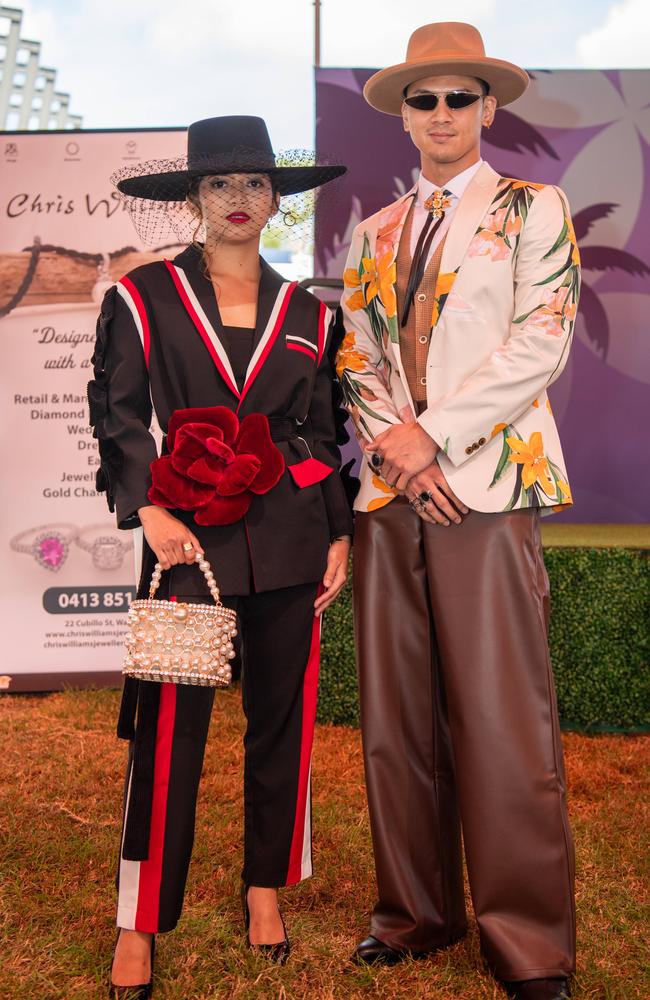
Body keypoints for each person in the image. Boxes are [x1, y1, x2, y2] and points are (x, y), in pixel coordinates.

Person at [337, 23, 579, 1000]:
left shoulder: (534, 207)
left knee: (499, 715)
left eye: (455, 98)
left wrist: (432, 435)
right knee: (396, 716)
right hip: (389, 495)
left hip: (482, 483)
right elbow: (354, 356)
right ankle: (413, 913)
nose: (438, 114)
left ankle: (525, 940)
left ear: (486, 109)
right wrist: (396, 448)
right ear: (404, 116)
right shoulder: (369, 234)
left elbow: (537, 345)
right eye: (420, 99)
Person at [88, 115, 352, 997]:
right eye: (219, 186)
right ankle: (141, 919)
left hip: (290, 541)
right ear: (193, 201)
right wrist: (149, 506)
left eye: (253, 186)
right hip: (185, 542)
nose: (238, 202)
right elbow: (118, 413)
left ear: (276, 200)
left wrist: (338, 531)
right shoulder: (142, 296)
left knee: (283, 724)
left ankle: (264, 888)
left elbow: (321, 435)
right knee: (167, 735)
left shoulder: (312, 314)